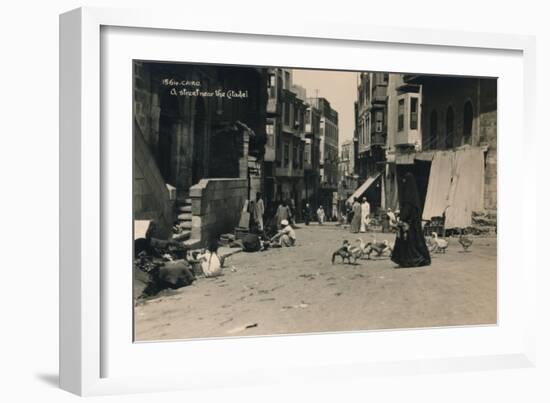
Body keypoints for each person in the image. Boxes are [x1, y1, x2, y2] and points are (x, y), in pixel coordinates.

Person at [391, 172, 431, 268]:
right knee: (413, 242)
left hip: (408, 225)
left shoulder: (408, 197)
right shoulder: (414, 198)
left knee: (408, 244)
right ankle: (412, 259)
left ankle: (412, 260)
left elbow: (407, 210)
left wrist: (402, 218)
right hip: (413, 225)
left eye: (405, 181)